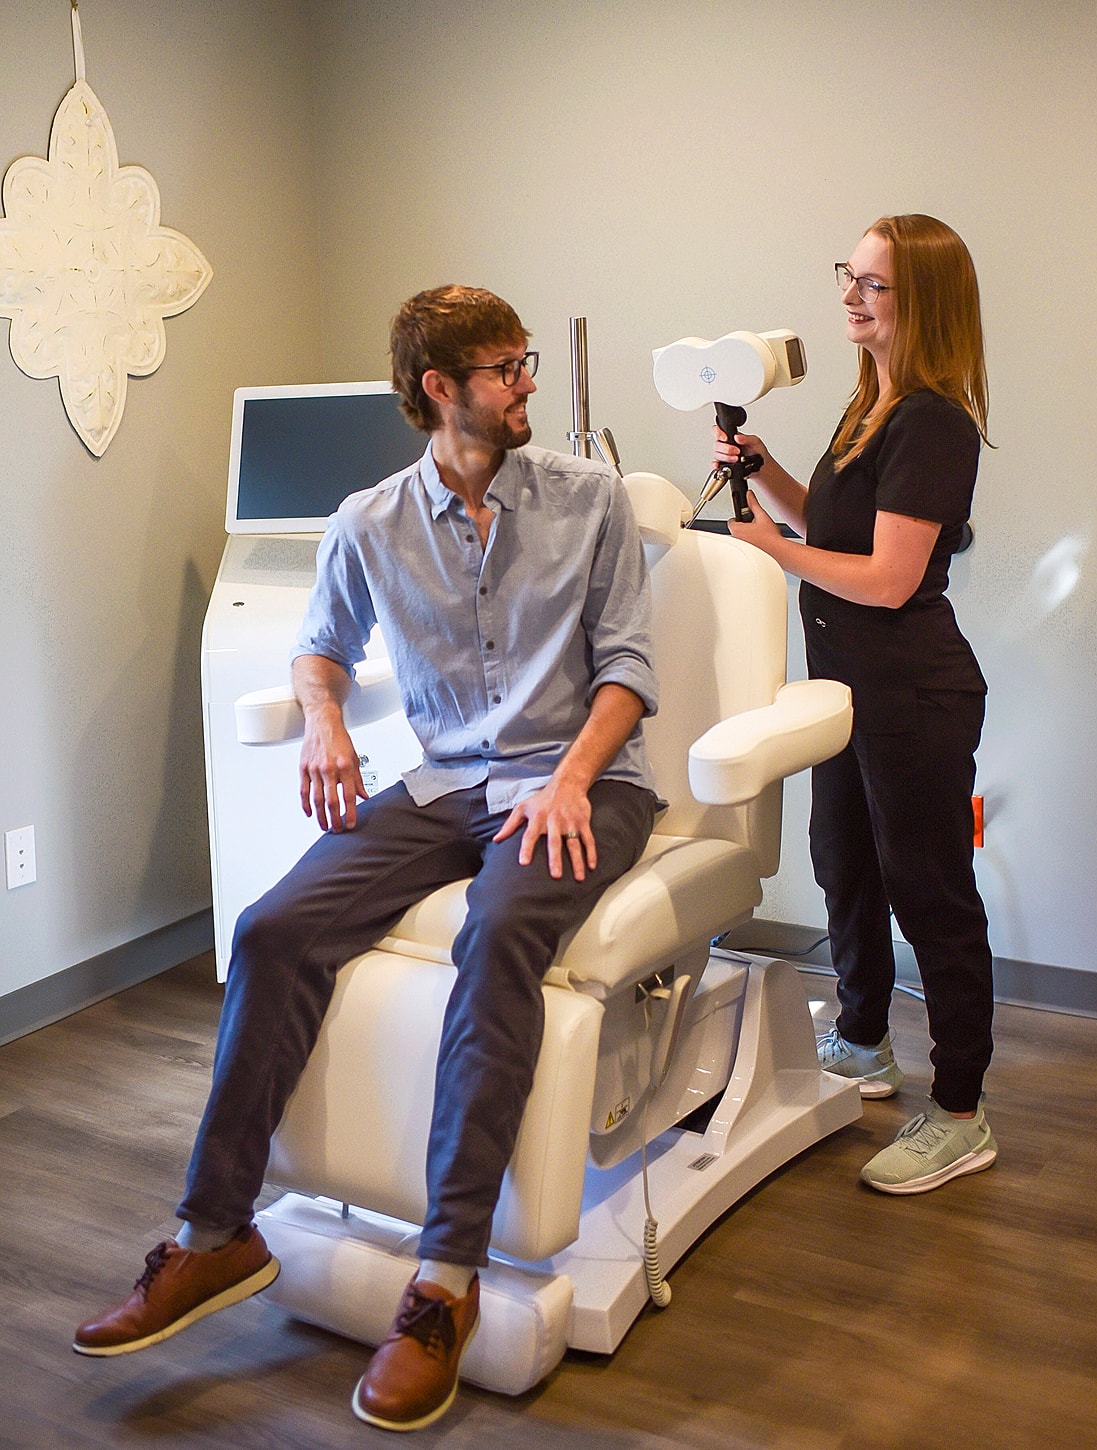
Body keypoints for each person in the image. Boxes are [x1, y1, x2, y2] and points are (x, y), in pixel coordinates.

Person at [74, 285, 660, 1431]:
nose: (527, 381)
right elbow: (317, 647)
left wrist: (572, 778)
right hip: (444, 786)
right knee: (272, 927)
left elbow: (629, 672)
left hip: (586, 781)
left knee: (497, 935)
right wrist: (330, 720)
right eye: (505, 368)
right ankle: (214, 1232)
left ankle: (443, 1282)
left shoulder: (589, 501)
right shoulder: (368, 522)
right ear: (439, 390)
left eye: (528, 361)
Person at [714, 214, 996, 1196]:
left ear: (916, 302)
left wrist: (773, 551)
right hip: (842, 690)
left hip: (914, 692)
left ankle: (961, 1112)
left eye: (872, 284)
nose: (849, 295)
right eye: (850, 275)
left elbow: (883, 578)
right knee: (844, 866)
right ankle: (863, 1039)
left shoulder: (932, 419)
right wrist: (768, 478)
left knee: (930, 893)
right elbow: (827, 524)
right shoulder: (866, 404)